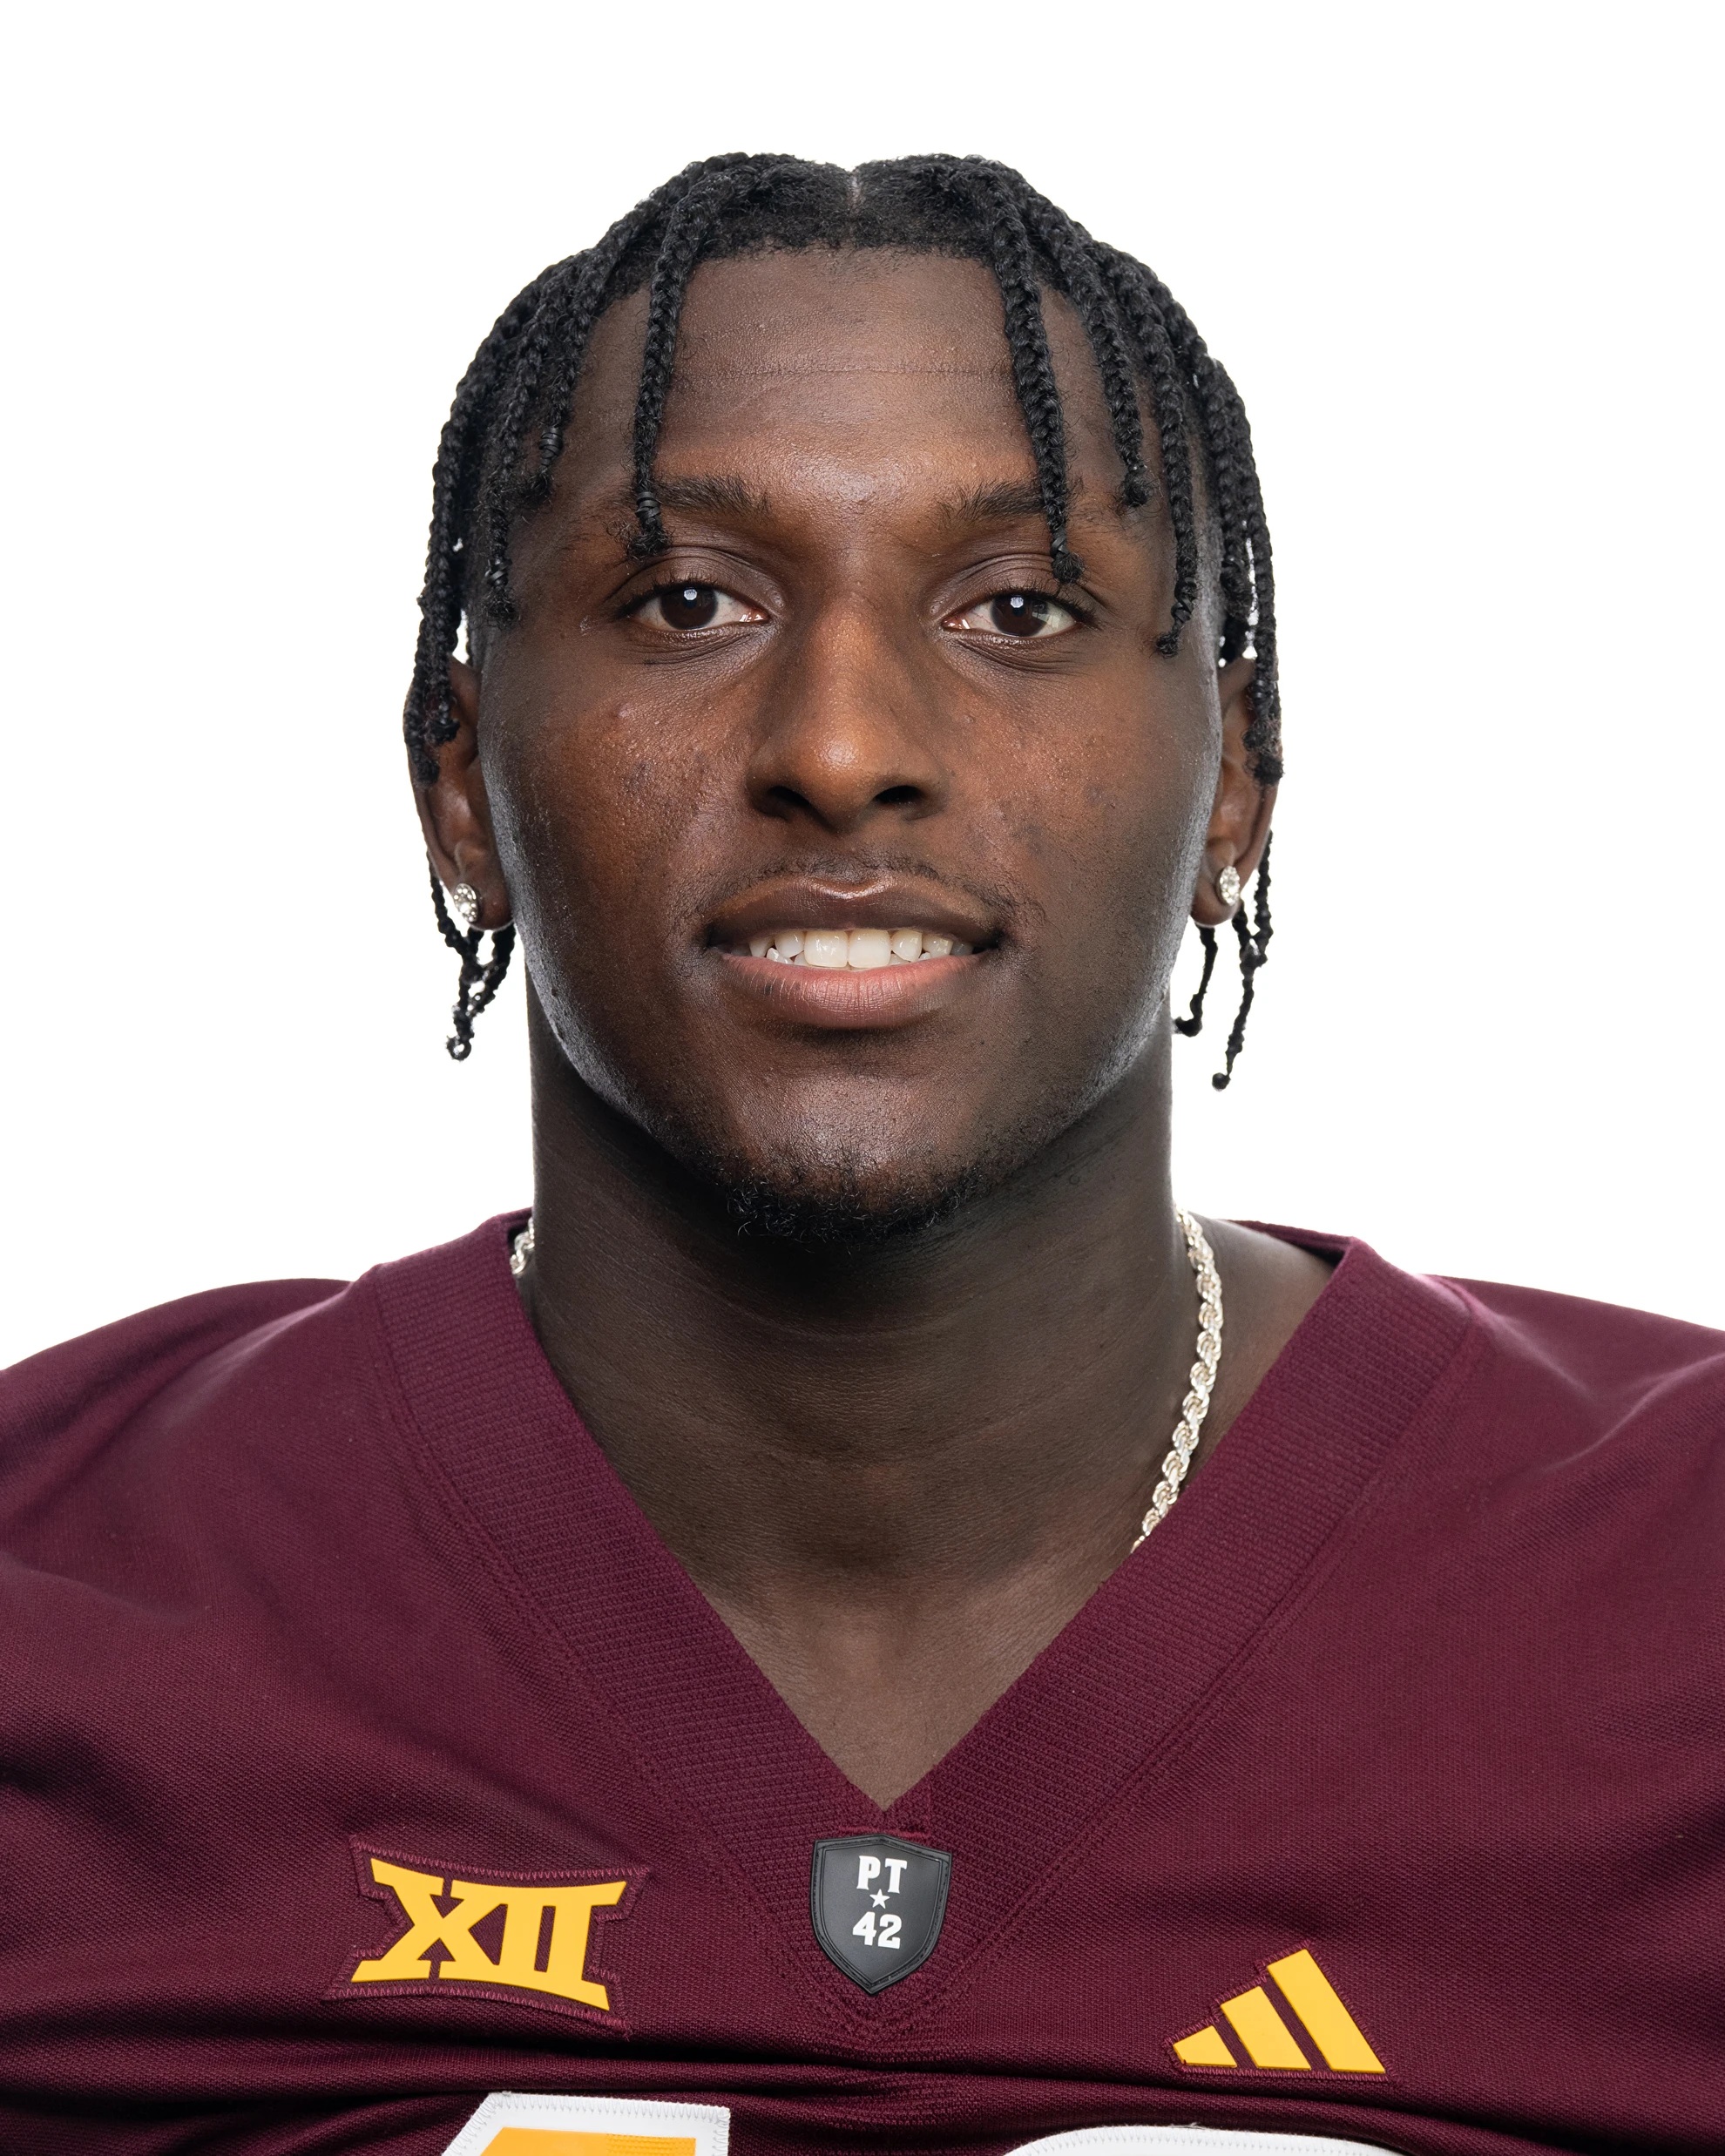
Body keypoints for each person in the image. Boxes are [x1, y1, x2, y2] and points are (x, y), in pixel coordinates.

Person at [2, 154, 1720, 2156]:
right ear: (457, 779)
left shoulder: (1677, 1572)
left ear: (1237, 780)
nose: (839, 746)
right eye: (688, 601)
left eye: (1019, 607)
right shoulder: (60, 1580)